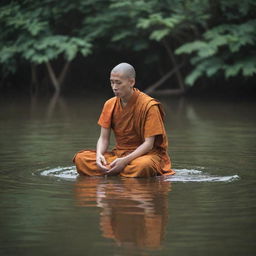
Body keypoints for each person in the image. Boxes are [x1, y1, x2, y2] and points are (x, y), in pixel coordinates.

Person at [73, 63, 175, 177]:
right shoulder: (110, 104)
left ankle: (114, 171)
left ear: (131, 82)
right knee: (80, 159)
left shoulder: (149, 106)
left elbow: (148, 144)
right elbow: (103, 138)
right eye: (112, 82)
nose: (114, 87)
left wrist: (125, 161)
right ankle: (119, 171)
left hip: (144, 155)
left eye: (119, 83)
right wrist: (99, 156)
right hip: (118, 155)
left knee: (143, 166)